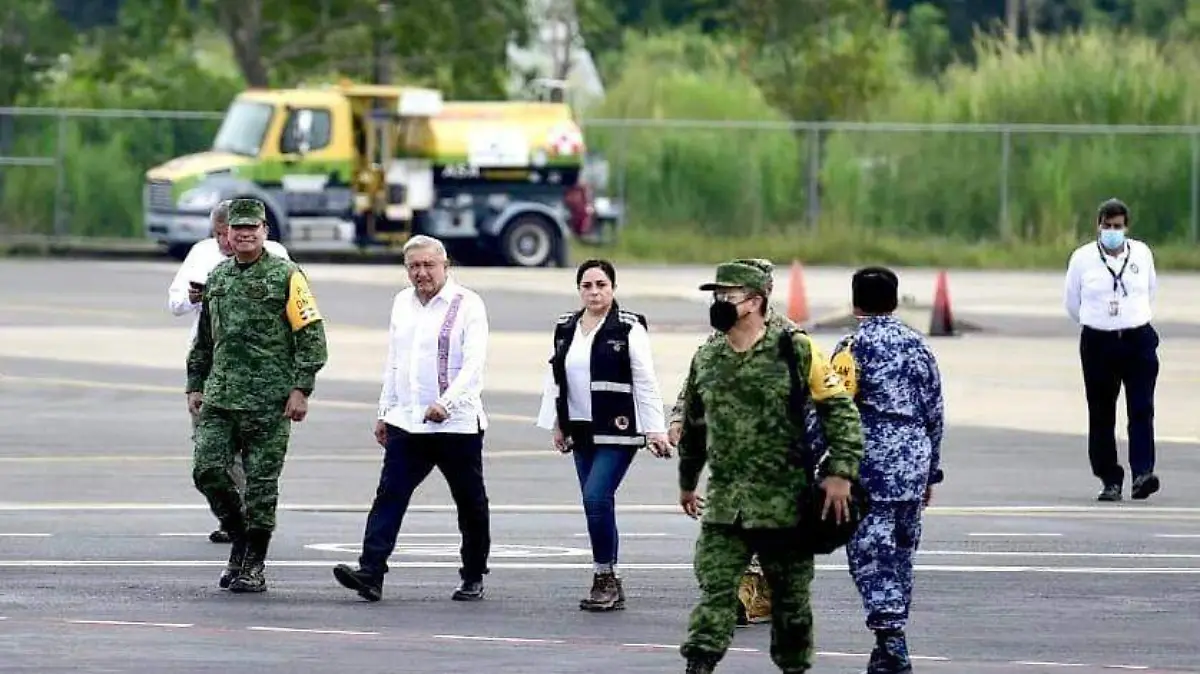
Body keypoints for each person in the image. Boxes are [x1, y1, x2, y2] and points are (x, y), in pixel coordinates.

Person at [676, 260, 865, 674]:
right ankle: (699, 665)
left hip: (784, 506)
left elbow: (840, 412)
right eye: (716, 295)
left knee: (791, 605)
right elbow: (694, 424)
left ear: (755, 301)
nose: (719, 303)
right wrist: (688, 482)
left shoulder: (795, 348)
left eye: (728, 295)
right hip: (726, 507)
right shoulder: (707, 356)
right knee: (715, 592)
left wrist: (840, 472)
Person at [332, 235, 492, 603]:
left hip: (456, 425)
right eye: (414, 267)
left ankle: (472, 574)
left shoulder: (468, 304)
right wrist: (385, 411)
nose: (421, 273)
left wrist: (446, 403)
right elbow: (395, 362)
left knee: (470, 502)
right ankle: (370, 572)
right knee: (390, 494)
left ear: (445, 265)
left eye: (428, 265)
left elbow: (474, 365)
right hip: (408, 423)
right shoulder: (402, 304)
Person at [187, 197, 328, 593]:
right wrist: (195, 384)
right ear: (226, 235)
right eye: (238, 229)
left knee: (262, 488)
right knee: (207, 471)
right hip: (220, 398)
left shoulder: (287, 275)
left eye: (253, 228)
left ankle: (252, 565)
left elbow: (312, 338)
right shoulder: (217, 278)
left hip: (269, 403)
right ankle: (240, 538)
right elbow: (204, 339)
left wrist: (301, 389)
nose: (245, 235)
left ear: (265, 231)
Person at [535, 259, 672, 612]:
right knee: (595, 504)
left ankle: (604, 578)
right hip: (580, 429)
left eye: (601, 285)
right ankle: (610, 576)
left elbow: (645, 379)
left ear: (613, 288)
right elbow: (556, 378)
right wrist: (556, 422)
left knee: (597, 497)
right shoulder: (565, 326)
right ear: (579, 289)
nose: (594, 292)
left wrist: (654, 428)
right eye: (587, 285)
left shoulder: (628, 327)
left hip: (618, 428)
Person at [829, 267, 945, 674]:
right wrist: (931, 469)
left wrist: (827, 465)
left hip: (871, 466)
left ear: (855, 302)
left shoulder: (850, 347)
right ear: (894, 301)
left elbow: (835, 408)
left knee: (869, 555)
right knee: (900, 553)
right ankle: (888, 643)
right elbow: (934, 411)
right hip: (912, 460)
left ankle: (891, 638)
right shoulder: (917, 345)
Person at [167, 199, 291, 544]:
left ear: (261, 231)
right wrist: (199, 297)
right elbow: (177, 305)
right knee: (209, 460)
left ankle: (251, 529)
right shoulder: (207, 259)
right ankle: (234, 517)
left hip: (263, 373)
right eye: (223, 234)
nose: (229, 240)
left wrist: (301, 384)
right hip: (215, 372)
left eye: (239, 231)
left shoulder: (279, 261)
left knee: (257, 460)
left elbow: (298, 315)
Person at [1063, 198, 1161, 502]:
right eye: (1107, 226)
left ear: (1126, 228)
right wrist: (1099, 322)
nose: (1112, 232)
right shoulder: (1082, 259)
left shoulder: (1142, 253)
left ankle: (1143, 473)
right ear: (1098, 226)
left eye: (1118, 226)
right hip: (1099, 343)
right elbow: (1072, 302)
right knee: (1102, 413)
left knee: (1141, 409)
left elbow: (1150, 289)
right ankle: (1110, 479)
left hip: (1136, 339)